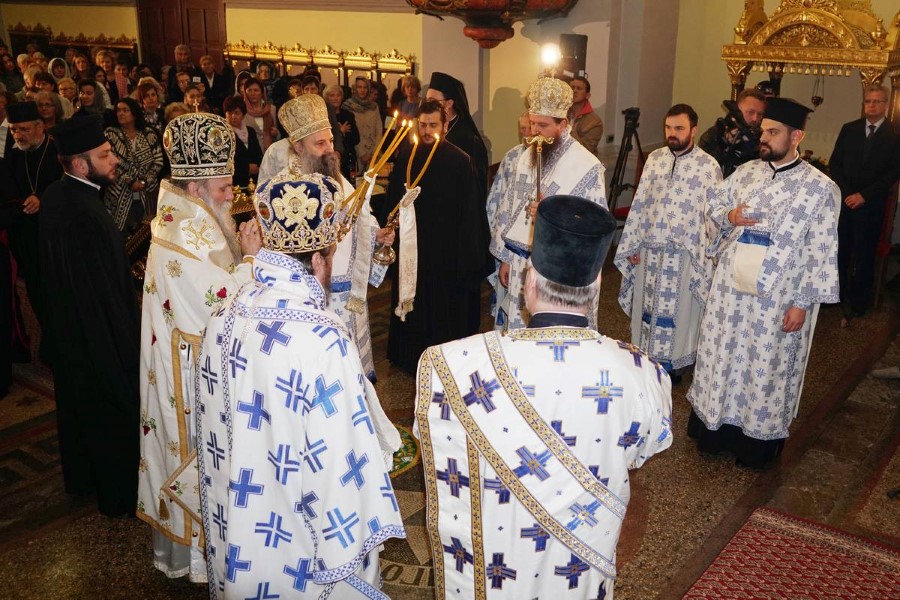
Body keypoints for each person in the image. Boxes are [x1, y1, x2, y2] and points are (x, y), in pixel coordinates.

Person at [415, 194, 672, 599]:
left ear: (528, 280)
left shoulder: (453, 363)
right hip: (580, 573)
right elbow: (646, 449)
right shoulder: (643, 372)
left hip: (496, 572)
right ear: (597, 284)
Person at [197, 170, 405, 597]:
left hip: (241, 530)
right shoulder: (323, 337)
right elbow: (342, 463)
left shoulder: (222, 318)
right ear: (317, 261)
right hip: (300, 544)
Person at [137, 112, 263, 582]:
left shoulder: (197, 219)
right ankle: (197, 557)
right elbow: (220, 301)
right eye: (225, 185)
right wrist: (251, 261)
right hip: (186, 372)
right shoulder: (181, 237)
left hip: (195, 360)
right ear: (196, 188)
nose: (233, 193)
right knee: (193, 454)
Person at [687, 98, 840, 470]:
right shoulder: (747, 171)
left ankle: (754, 445)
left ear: (797, 135)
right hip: (729, 291)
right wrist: (729, 214)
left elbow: (821, 250)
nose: (764, 138)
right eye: (764, 131)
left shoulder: (820, 189)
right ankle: (714, 432)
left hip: (776, 296)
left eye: (773, 132)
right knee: (723, 356)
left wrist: (801, 302)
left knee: (764, 365)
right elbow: (714, 206)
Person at [39, 115, 141, 517]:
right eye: (104, 154)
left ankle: (83, 479)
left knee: (79, 408)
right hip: (98, 336)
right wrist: (124, 345)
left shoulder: (56, 196)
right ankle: (119, 495)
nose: (113, 159)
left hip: (68, 333)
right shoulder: (88, 214)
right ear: (80, 164)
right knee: (108, 413)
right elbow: (102, 293)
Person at [268, 94, 394, 381]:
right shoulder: (289, 189)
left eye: (331, 141)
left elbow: (357, 215)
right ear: (298, 146)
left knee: (353, 372)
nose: (329, 150)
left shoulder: (336, 176)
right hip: (317, 295)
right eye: (320, 143)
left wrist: (377, 235)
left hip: (351, 293)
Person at [490, 76, 607, 331]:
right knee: (519, 333)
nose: (534, 132)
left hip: (558, 271)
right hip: (522, 262)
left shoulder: (586, 166)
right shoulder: (526, 158)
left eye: (542, 125)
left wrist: (554, 213)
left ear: (563, 124)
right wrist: (507, 259)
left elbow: (595, 225)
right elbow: (510, 210)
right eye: (532, 124)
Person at [614, 104, 721, 382]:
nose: (672, 134)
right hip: (650, 251)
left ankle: (674, 367)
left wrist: (707, 256)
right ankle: (647, 362)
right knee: (648, 309)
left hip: (684, 255)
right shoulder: (655, 159)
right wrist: (634, 244)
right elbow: (640, 204)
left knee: (678, 314)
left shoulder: (708, 166)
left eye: (679, 129)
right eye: (668, 128)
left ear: (694, 130)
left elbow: (712, 216)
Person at [385, 99, 492, 374]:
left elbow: (470, 213)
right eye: (422, 125)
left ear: (445, 126)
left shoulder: (459, 161)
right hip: (412, 248)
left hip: (445, 251)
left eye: (433, 125)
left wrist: (466, 258)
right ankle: (409, 356)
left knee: (440, 307)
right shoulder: (407, 155)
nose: (427, 131)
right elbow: (394, 200)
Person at [829, 84, 900, 322]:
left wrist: (864, 196)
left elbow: (893, 172)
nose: (872, 105)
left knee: (864, 254)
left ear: (886, 104)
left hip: (871, 205)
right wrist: (848, 193)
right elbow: (835, 163)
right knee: (840, 250)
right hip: (845, 202)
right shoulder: (849, 129)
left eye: (877, 101)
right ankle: (835, 296)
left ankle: (859, 302)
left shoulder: (894, 135)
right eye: (868, 101)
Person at [5, 101, 63, 332]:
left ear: (40, 126)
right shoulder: (13, 158)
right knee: (37, 293)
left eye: (24, 129)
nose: (18, 135)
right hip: (28, 238)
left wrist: (42, 198)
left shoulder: (58, 152)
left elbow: (66, 186)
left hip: (56, 237)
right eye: (13, 130)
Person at [103, 97, 164, 230]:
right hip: (120, 191)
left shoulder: (149, 133)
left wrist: (144, 181)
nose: (121, 113)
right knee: (123, 234)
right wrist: (130, 181)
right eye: (118, 110)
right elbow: (109, 161)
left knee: (148, 232)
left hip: (147, 190)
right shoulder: (111, 134)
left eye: (125, 110)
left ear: (135, 113)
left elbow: (158, 161)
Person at [425, 72, 488, 199]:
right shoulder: (425, 132)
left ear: (449, 104)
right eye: (427, 101)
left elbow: (476, 185)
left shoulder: (468, 139)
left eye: (433, 101)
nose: (428, 106)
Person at [698, 88, 766, 178]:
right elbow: (703, 169)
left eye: (760, 114)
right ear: (738, 109)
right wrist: (726, 147)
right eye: (750, 112)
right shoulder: (714, 134)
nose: (755, 118)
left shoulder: (762, 139)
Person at [342, 76, 383, 173]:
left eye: (365, 87)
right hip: (357, 152)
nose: (362, 90)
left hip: (374, 151)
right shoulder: (348, 106)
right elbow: (351, 133)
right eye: (359, 87)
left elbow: (379, 128)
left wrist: (375, 151)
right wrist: (362, 153)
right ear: (355, 89)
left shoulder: (374, 106)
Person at [224, 95, 263, 188]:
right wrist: (246, 168)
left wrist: (257, 166)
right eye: (230, 113)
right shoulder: (224, 134)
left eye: (237, 113)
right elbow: (226, 161)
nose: (233, 116)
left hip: (254, 180)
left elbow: (258, 153)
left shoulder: (251, 131)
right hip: (235, 182)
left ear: (243, 115)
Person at [324, 83, 358, 180]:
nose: (336, 98)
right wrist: (341, 131)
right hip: (330, 157)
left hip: (348, 157)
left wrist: (342, 134)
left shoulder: (348, 115)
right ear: (326, 98)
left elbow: (356, 138)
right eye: (332, 95)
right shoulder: (324, 116)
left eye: (338, 95)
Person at [567, 76, 604, 157]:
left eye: (579, 88)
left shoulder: (595, 121)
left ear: (587, 95)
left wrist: (567, 127)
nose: (574, 91)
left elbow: (586, 151)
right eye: (572, 88)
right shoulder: (561, 113)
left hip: (581, 164)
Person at [241, 77, 278, 151]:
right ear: (245, 92)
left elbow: (277, 133)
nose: (252, 93)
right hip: (251, 152)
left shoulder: (271, 109)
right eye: (249, 90)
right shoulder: (242, 110)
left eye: (256, 90)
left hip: (271, 151)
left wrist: (275, 133)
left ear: (262, 92)